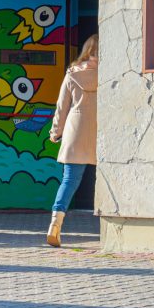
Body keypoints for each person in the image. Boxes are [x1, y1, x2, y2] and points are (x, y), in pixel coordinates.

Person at [47, 34, 99, 247]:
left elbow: (62, 107)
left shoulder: (72, 75)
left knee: (69, 180)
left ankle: (55, 225)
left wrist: (55, 132)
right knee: (107, 179)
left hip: (75, 131)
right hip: (101, 131)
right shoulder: (110, 74)